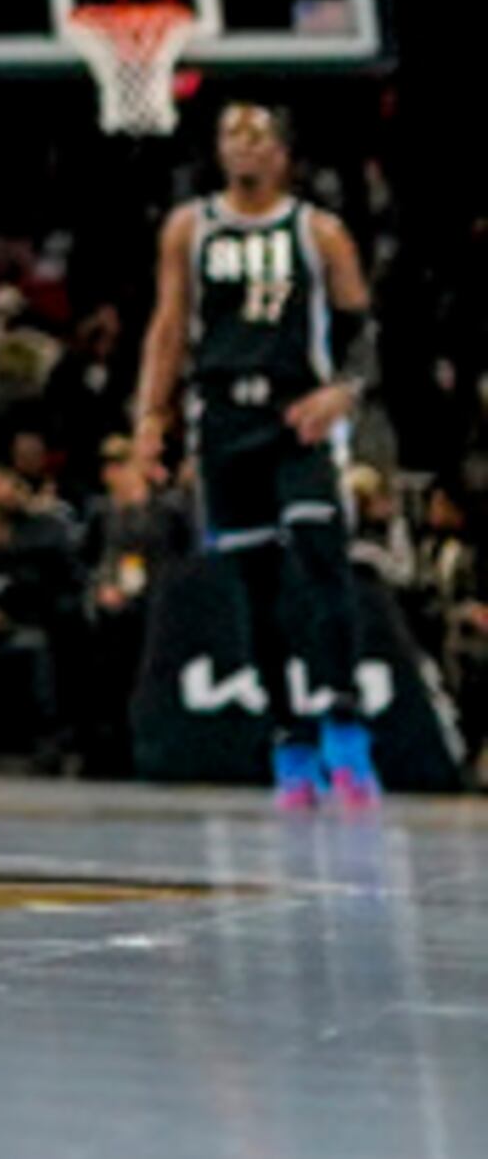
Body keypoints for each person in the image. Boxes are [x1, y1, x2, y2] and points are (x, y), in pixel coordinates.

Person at [133, 97, 379, 810]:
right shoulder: (190, 227)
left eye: (257, 134)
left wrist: (344, 392)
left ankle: (343, 721)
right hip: (221, 419)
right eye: (230, 134)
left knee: (320, 551)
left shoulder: (319, 232)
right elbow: (169, 325)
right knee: (257, 587)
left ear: (282, 151)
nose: (242, 146)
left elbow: (363, 331)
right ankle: (289, 737)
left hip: (295, 415)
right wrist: (151, 418)